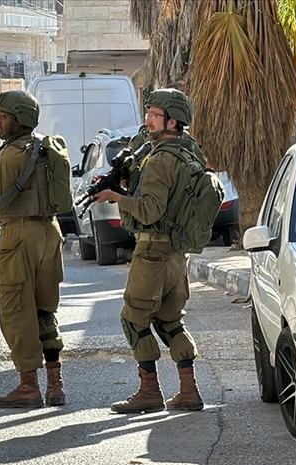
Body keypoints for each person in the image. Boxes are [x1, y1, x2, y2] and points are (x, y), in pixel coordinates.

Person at [91, 88, 204, 413]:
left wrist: (116, 197)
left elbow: (151, 209)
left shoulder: (160, 160)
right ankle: (189, 391)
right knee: (170, 321)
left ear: (173, 121)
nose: (148, 120)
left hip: (153, 250)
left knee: (134, 319)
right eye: (148, 113)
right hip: (175, 252)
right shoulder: (188, 152)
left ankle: (149, 391)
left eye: (155, 115)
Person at [0, 90, 66, 409]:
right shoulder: (42, 148)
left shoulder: (10, 155)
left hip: (19, 235)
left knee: (16, 310)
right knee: (44, 309)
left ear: (20, 119)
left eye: (3, 117)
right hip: (49, 232)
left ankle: (28, 386)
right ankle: (55, 384)